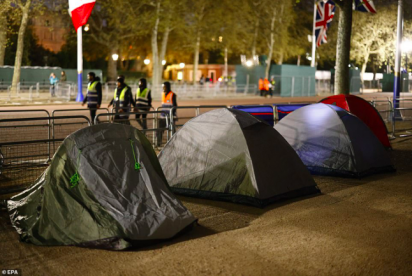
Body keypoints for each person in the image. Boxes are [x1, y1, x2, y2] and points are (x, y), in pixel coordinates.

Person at [157, 81, 177, 146]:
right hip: (163, 116)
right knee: (159, 130)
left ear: (168, 87)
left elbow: (175, 106)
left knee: (172, 130)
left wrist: (172, 114)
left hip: (170, 116)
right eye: (162, 87)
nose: (163, 88)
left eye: (164, 87)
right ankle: (158, 143)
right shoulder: (162, 94)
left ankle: (174, 143)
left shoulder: (172, 94)